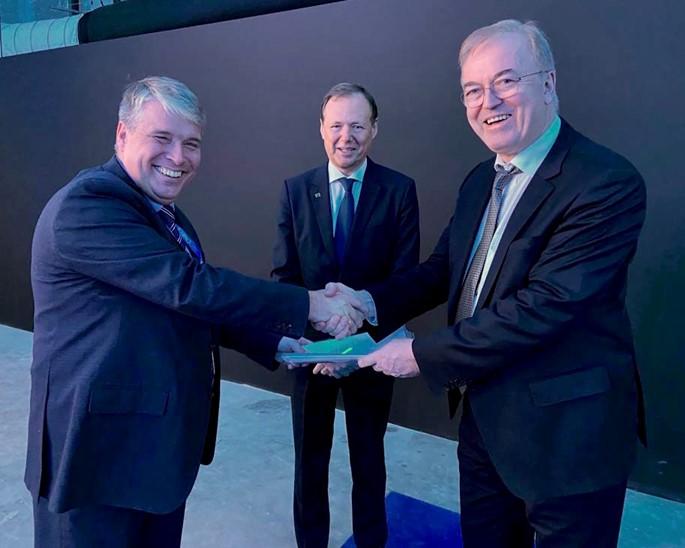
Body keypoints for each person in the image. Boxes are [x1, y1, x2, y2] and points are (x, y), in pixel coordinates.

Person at [329, 20, 647, 547]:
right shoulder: (481, 179)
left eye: (506, 81)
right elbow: (441, 270)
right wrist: (365, 302)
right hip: (484, 423)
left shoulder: (604, 182)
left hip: (567, 439)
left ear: (548, 83)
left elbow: (544, 306)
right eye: (473, 90)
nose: (488, 101)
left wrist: (418, 353)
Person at [25, 75, 364, 548]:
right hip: (95, 461)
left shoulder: (165, 215)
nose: (178, 158)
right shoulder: (88, 207)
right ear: (122, 134)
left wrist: (278, 343)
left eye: (191, 143)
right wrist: (311, 302)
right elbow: (187, 286)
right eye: (162, 138)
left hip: (154, 456)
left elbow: (181, 305)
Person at [272, 82, 420, 548]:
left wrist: (354, 338)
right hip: (310, 354)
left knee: (368, 463)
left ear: (374, 130)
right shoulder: (295, 191)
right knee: (309, 465)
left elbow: (404, 280)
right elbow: (284, 277)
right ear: (321, 129)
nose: (346, 136)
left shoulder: (399, 191)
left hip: (372, 353)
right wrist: (322, 339)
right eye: (336, 125)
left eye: (357, 125)